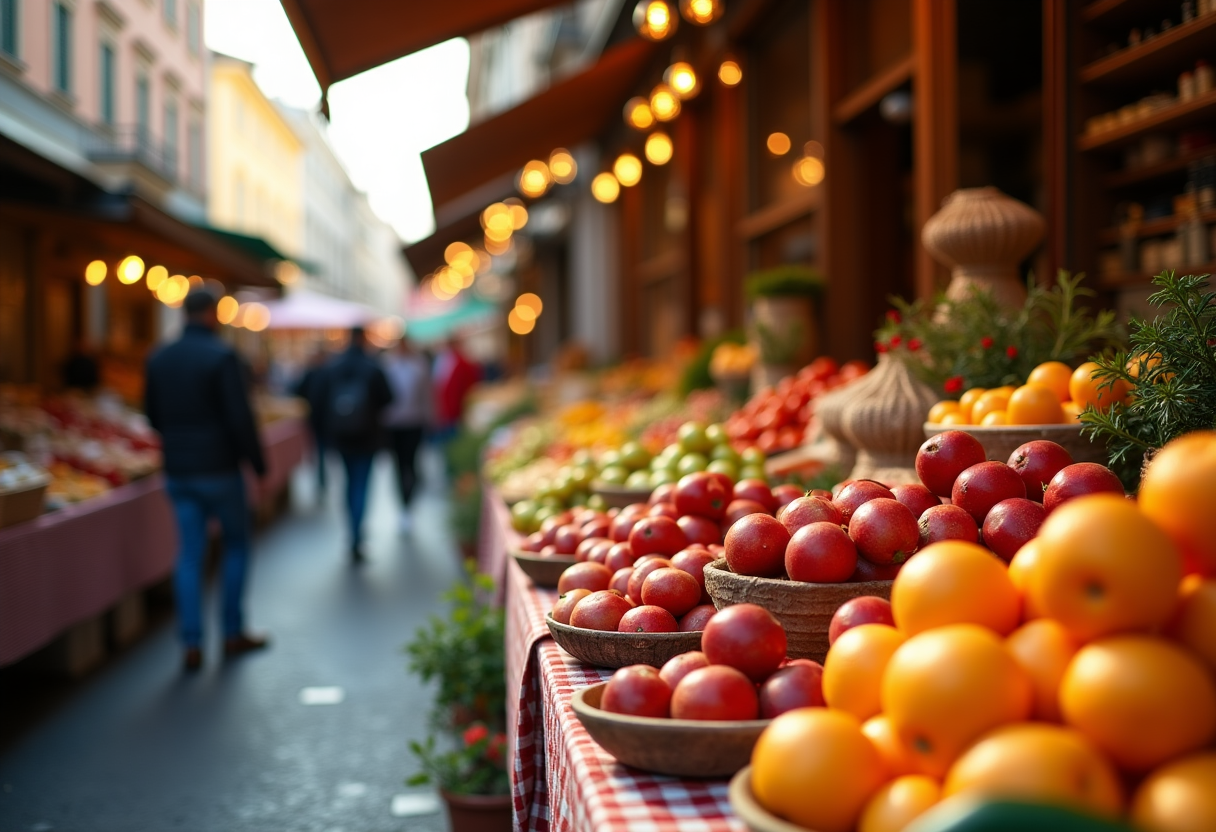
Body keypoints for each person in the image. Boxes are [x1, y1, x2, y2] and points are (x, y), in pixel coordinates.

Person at [144, 289, 268, 671]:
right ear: (213, 314)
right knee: (235, 545)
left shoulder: (159, 357)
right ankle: (231, 633)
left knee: (189, 554)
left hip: (179, 469)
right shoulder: (223, 357)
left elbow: (152, 416)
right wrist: (258, 464)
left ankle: (191, 642)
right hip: (218, 469)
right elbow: (240, 418)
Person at [320, 326, 392, 563]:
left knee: (348, 484)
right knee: (361, 484)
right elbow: (389, 398)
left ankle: (352, 529)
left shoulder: (334, 366)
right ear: (364, 339)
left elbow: (319, 398)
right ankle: (356, 534)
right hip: (367, 436)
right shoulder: (372, 366)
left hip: (341, 437)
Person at [381, 338, 432, 532]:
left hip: (414, 422)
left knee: (411, 464)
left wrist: (431, 418)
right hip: (393, 425)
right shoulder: (387, 364)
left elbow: (427, 394)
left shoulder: (419, 365)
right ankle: (403, 505)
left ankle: (409, 500)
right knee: (398, 465)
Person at [292, 349, 331, 494]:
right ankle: (321, 479)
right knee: (320, 450)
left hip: (318, 418)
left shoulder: (313, 373)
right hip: (322, 419)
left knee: (319, 450)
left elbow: (298, 390)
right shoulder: (324, 373)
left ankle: (321, 479)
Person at [432, 336, 481, 443]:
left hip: (456, 408)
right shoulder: (444, 360)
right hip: (447, 408)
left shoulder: (458, 361)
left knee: (453, 439)